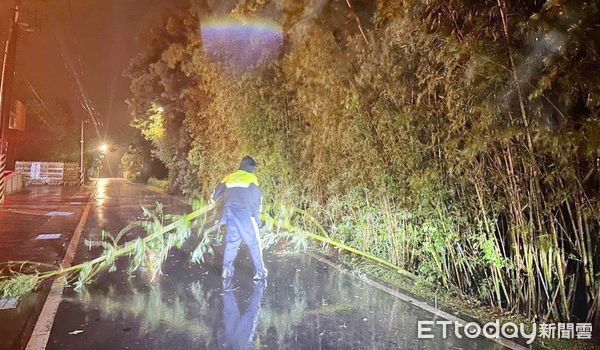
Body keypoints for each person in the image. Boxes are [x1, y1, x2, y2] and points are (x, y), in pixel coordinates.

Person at [212, 156, 268, 280]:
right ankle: (260, 272)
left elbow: (215, 195)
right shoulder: (252, 179)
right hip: (246, 216)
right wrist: (258, 220)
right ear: (250, 168)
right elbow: (257, 200)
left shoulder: (229, 177)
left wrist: (214, 202)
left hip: (230, 214)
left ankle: (226, 270)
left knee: (232, 242)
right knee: (254, 243)